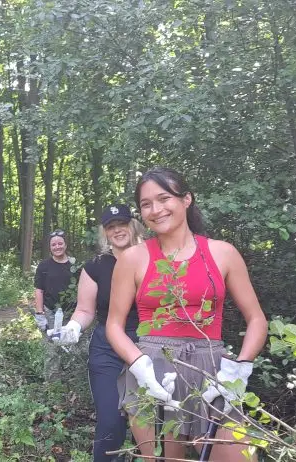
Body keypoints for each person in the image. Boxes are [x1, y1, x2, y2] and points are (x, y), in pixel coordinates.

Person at [105, 167, 268, 461]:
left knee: (239, 456)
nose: (155, 210)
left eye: (164, 198)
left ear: (186, 199)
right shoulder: (132, 258)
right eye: (145, 204)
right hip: (153, 375)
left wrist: (240, 369)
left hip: (212, 371)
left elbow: (256, 319)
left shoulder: (222, 253)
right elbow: (114, 326)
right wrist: (139, 365)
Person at [51, 204, 145, 462]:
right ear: (105, 232)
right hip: (107, 348)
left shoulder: (153, 258)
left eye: (122, 224)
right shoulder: (95, 266)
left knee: (148, 421)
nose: (117, 230)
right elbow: (85, 309)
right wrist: (73, 327)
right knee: (110, 420)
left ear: (133, 225)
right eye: (111, 227)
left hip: (147, 344)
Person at [33, 229, 79, 332]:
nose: (57, 247)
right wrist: (40, 314)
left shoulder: (75, 265)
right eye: (53, 245)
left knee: (70, 342)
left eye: (60, 243)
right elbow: (39, 290)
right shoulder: (44, 266)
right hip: (50, 312)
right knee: (53, 342)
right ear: (50, 247)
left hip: (71, 312)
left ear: (65, 245)